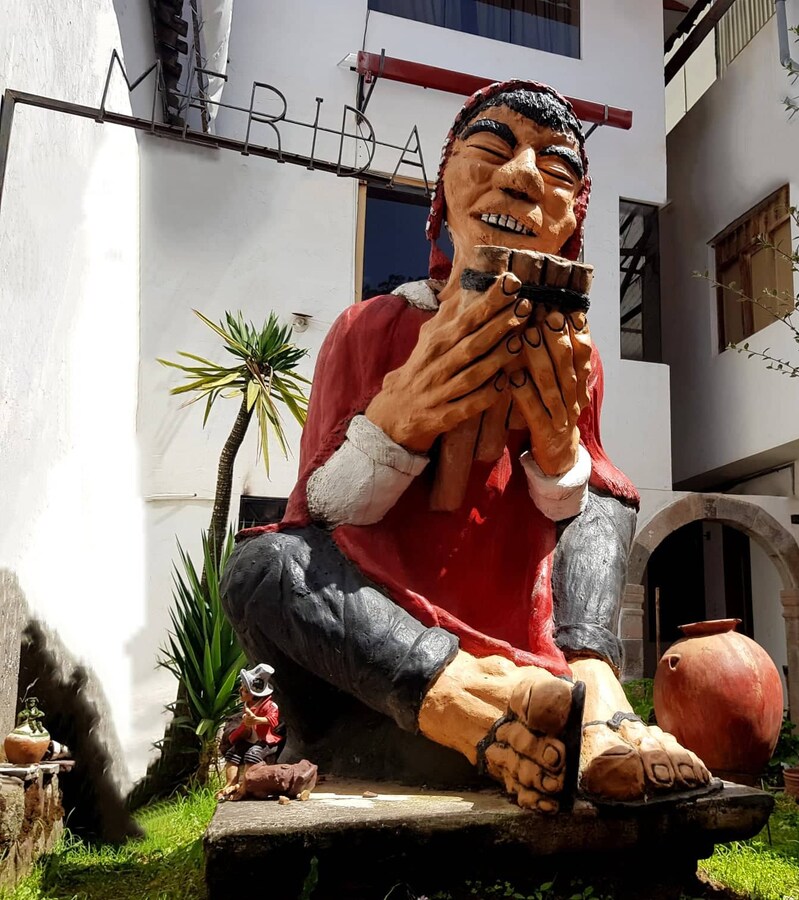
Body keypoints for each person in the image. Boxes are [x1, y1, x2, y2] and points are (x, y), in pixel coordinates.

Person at [221, 80, 710, 813]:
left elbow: (575, 509)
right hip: (386, 648)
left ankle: (590, 680)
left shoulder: (573, 351)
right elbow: (319, 515)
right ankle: (485, 703)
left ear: (572, 221)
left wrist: (558, 452)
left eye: (557, 169)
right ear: (444, 186)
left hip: (522, 614)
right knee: (263, 568)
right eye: (491, 148)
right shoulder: (369, 328)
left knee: (604, 495)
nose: (521, 178)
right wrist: (399, 422)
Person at [218, 664, 284, 801]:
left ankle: (245, 787)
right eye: (242, 688)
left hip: (264, 741)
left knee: (252, 754)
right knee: (233, 753)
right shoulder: (247, 705)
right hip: (250, 739)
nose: (240, 691)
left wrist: (257, 720)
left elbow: (273, 720)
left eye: (244, 689)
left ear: (254, 694)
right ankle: (230, 783)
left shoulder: (270, 706)